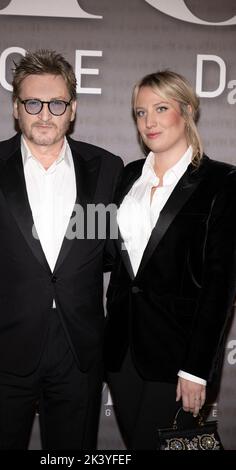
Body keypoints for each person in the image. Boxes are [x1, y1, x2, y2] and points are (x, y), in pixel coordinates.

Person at [0, 49, 123, 450]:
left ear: (72, 109)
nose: (45, 114)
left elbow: (105, 252)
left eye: (57, 103)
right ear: (15, 108)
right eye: (33, 103)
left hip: (79, 351)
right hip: (3, 351)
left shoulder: (106, 167)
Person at [104, 70, 236, 450]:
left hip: (178, 354)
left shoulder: (221, 182)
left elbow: (219, 285)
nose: (149, 121)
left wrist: (197, 368)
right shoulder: (128, 176)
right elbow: (108, 252)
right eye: (140, 112)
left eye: (161, 108)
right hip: (122, 351)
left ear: (188, 111)